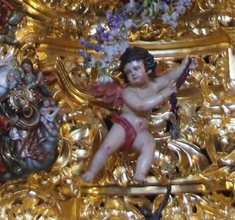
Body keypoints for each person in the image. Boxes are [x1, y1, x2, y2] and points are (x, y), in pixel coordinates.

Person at [83, 46, 194, 184]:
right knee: (107, 147)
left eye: (136, 69)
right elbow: (142, 105)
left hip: (141, 130)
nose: (133, 74)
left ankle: (140, 173)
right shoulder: (128, 92)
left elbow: (169, 77)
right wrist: (163, 95)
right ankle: (92, 171)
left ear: (147, 68)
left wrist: (184, 67)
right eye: (129, 72)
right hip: (124, 126)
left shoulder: (154, 85)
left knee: (149, 144)